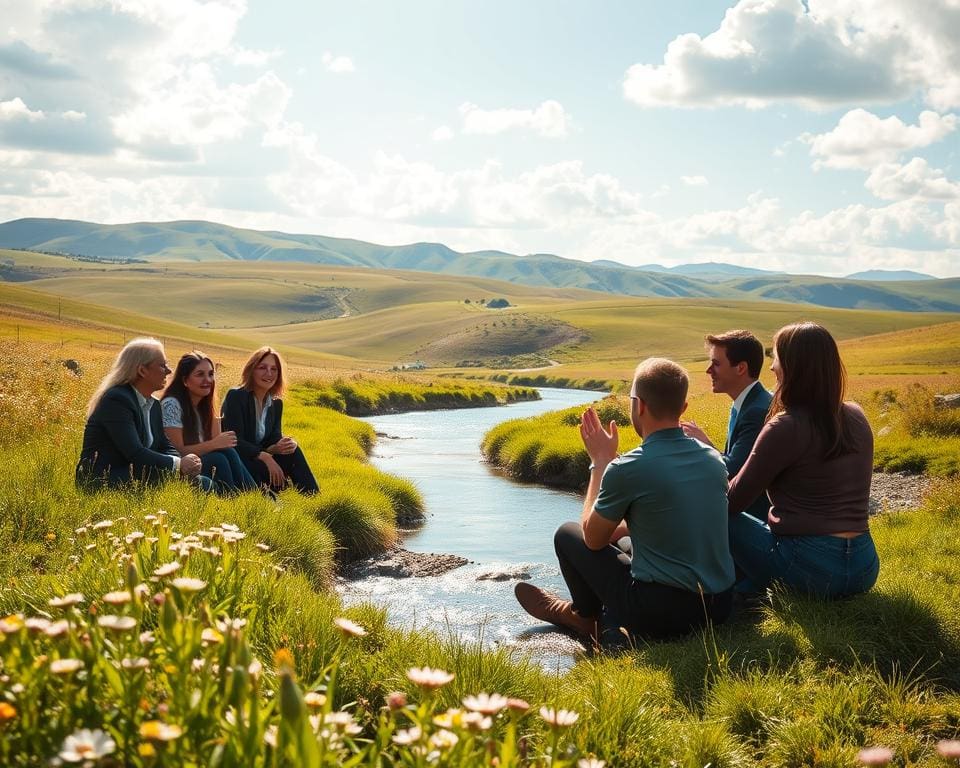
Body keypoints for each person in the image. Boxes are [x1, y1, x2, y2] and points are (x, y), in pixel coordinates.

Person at [514, 358, 735, 643]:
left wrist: (601, 463)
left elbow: (591, 539)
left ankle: (583, 618)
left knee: (567, 534)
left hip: (664, 614)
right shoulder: (712, 458)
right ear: (683, 409)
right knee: (621, 540)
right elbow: (677, 517)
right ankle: (594, 613)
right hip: (719, 607)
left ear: (639, 405)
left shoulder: (629, 467)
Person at [727, 322, 879, 598]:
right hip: (864, 567)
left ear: (792, 366)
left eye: (776, 357)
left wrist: (703, 466)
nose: (772, 367)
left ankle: (726, 589)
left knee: (715, 515)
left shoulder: (784, 427)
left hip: (809, 570)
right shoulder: (856, 415)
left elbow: (732, 501)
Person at [76, 338, 211, 492]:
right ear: (142, 371)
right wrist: (179, 465)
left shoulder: (153, 405)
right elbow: (135, 452)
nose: (169, 371)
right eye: (162, 365)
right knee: (201, 485)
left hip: (140, 473)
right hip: (103, 481)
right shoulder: (116, 400)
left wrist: (183, 462)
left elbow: (164, 445)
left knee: (203, 482)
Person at [681, 330, 772, 520]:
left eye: (716, 363)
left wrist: (703, 446)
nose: (708, 370)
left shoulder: (756, 412)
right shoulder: (748, 403)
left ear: (740, 368)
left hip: (755, 519)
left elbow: (732, 472)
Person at [221, 346, 319, 495]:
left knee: (293, 449)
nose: (269, 373)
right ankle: (269, 490)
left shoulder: (276, 403)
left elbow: (274, 436)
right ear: (252, 370)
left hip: (261, 459)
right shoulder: (236, 396)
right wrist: (265, 456)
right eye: (262, 368)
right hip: (240, 462)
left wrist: (282, 445)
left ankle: (313, 497)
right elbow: (234, 440)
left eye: (274, 369)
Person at [160, 351, 259, 496]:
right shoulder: (172, 404)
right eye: (200, 375)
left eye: (211, 374)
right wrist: (215, 444)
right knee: (220, 457)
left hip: (203, 461)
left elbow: (218, 445)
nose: (208, 380)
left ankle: (249, 497)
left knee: (225, 453)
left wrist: (213, 413)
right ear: (185, 381)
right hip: (182, 467)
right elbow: (178, 452)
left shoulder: (205, 403)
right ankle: (242, 497)